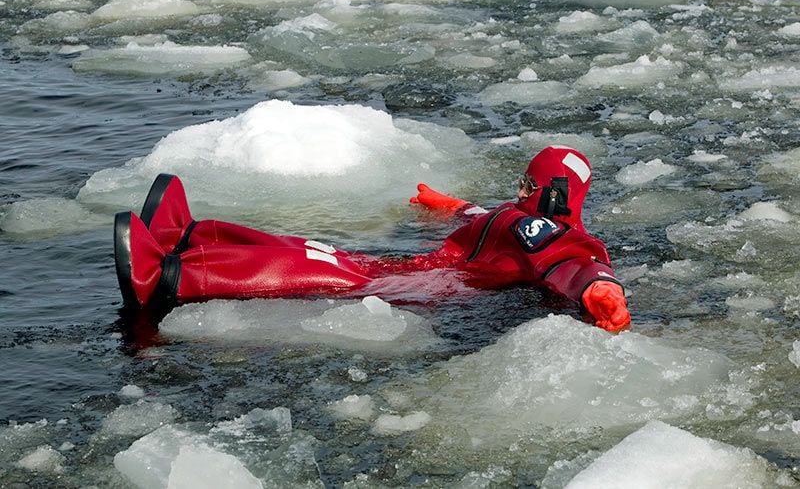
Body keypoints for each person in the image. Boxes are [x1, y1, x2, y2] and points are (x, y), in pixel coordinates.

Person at [114, 146, 631, 332]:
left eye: (526, 184)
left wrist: (597, 289)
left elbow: (573, 262)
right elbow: (481, 215)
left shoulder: (550, 231)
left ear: (553, 195)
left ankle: (169, 277)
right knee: (313, 249)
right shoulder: (517, 215)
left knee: (330, 271)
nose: (517, 190)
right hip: (423, 268)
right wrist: (446, 205)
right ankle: (190, 235)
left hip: (442, 289)